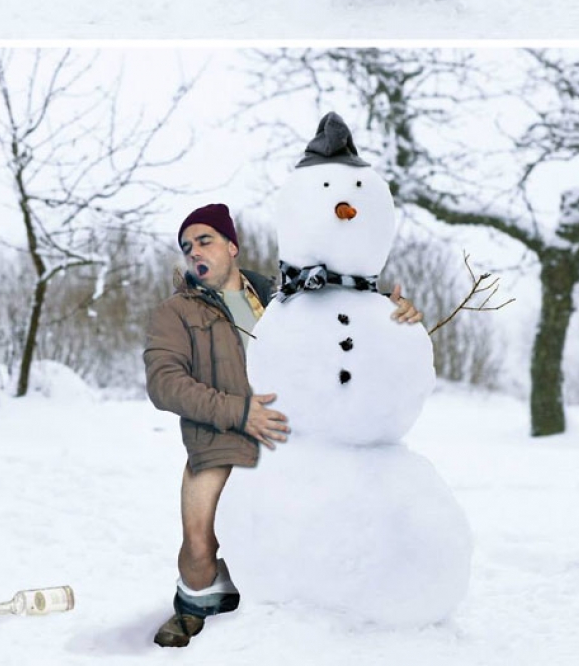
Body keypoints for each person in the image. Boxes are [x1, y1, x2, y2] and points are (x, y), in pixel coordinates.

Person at [143, 201, 421, 649]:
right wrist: (239, 411)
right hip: (218, 443)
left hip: (291, 440)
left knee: (316, 523)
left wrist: (391, 317)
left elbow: (342, 339)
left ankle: (314, 605)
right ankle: (194, 606)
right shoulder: (176, 313)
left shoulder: (283, 298)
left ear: (232, 246)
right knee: (198, 545)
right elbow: (164, 383)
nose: (194, 249)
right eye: (186, 245)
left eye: (205, 239)